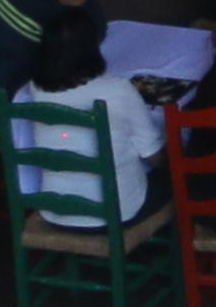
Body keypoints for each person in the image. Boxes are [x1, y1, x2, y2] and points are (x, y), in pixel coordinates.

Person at [10, 17, 163, 219]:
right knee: (172, 183)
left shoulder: (36, 89)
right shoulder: (118, 89)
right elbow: (153, 156)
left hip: (55, 212)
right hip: (115, 214)